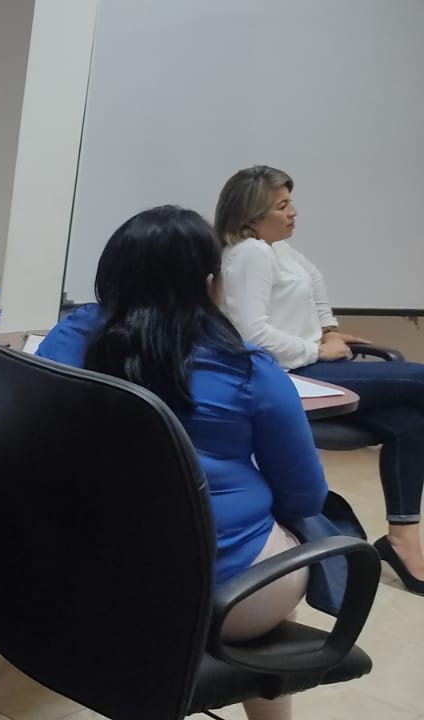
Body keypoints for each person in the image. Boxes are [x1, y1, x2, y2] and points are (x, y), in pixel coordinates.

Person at [39, 206, 326, 720]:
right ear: (211, 284)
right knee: (287, 542)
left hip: (82, 577)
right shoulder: (250, 371)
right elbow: (305, 495)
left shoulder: (69, 338)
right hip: (220, 599)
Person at [215, 165, 424, 594]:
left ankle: (403, 539)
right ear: (252, 216)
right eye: (282, 205)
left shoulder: (278, 250)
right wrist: (316, 349)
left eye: (290, 202)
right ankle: (403, 541)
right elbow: (252, 336)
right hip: (292, 374)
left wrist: (329, 329)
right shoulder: (250, 254)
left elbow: (314, 285)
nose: (293, 212)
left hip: (312, 365)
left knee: (410, 422)